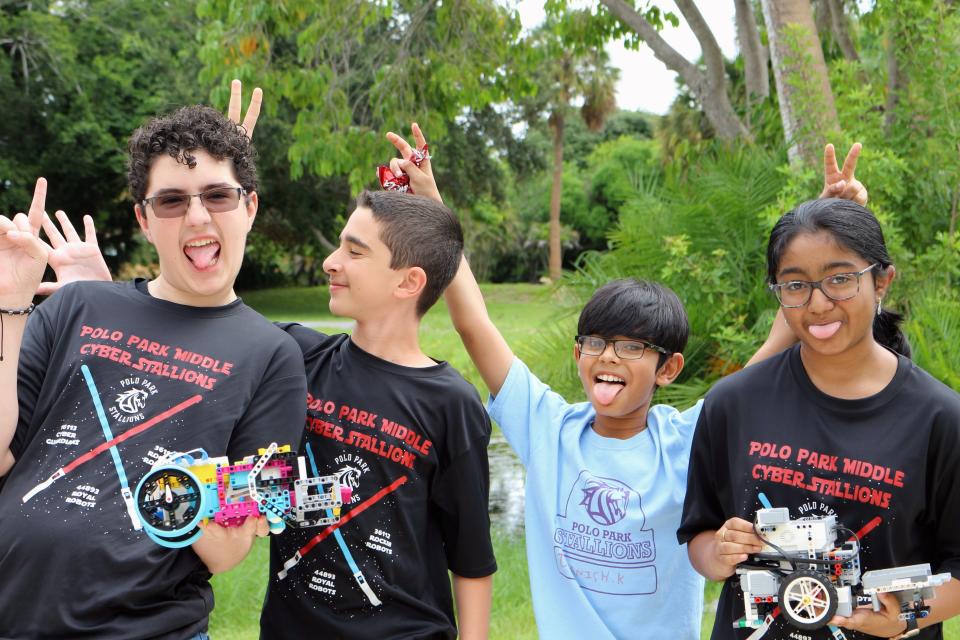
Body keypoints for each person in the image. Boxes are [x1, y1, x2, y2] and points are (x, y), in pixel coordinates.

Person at [382, 127, 867, 639]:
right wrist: (435, 210)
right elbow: (474, 324)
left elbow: (778, 340)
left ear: (668, 369)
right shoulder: (548, 428)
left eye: (632, 347)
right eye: (595, 343)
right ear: (578, 353)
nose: (608, 357)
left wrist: (828, 222)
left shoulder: (686, 439)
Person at [0, 93, 306, 639]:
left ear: (250, 207)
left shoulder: (275, 356)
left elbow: (228, 551)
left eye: (218, 196)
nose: (196, 216)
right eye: (170, 201)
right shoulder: (77, 304)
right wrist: (10, 302)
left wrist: (178, 490)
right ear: (143, 218)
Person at [678, 198, 960, 640]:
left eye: (840, 279)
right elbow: (699, 534)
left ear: (882, 280)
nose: (818, 303)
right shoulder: (733, 403)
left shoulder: (940, 417)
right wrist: (717, 553)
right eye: (796, 285)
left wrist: (905, 617)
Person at [258, 188, 496, 640]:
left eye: (354, 251)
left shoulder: (451, 403)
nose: (331, 261)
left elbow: (471, 556)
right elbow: (206, 321)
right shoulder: (297, 357)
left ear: (408, 282)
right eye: (339, 244)